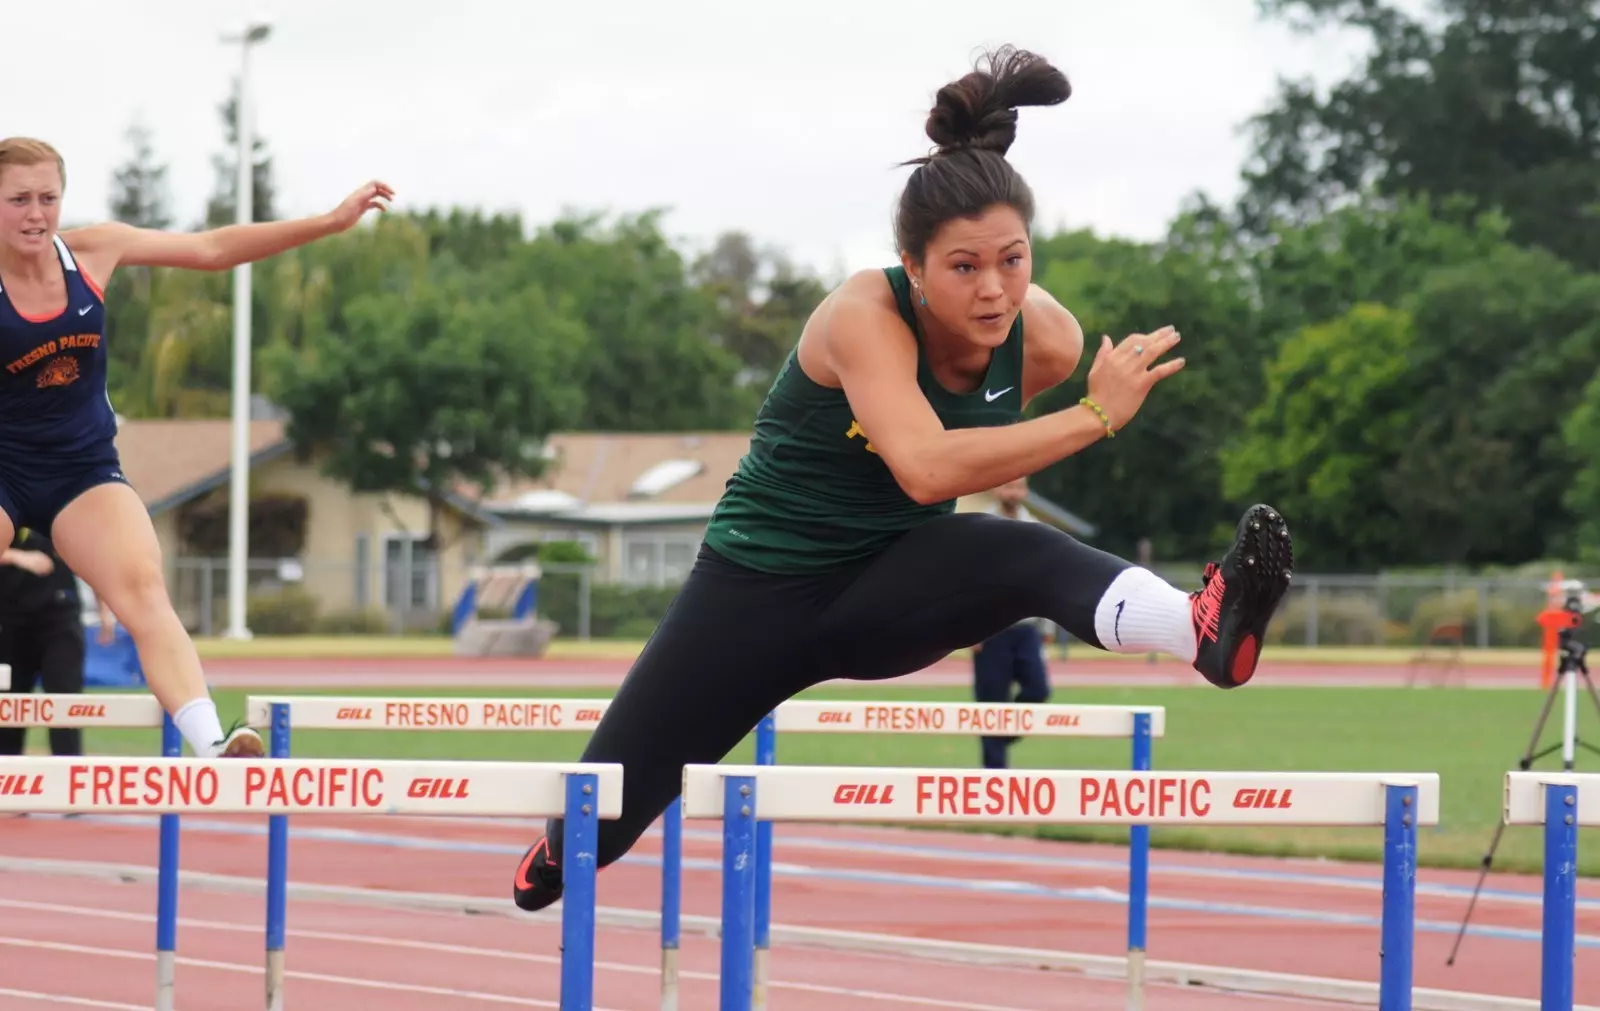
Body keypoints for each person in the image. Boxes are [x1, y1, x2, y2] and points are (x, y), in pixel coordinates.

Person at [512, 45, 1293, 911]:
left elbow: (970, 462)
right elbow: (924, 467)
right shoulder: (862, 313)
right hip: (754, 593)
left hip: (890, 586)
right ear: (914, 268)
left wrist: (1060, 417)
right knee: (595, 825)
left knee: (1027, 554)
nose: (994, 291)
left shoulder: (1049, 340)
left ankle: (1201, 629)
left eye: (1014, 259)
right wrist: (1094, 418)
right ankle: (554, 851)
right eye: (964, 267)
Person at [0, 136, 393, 759]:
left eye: (48, 198)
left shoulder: (94, 251)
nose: (36, 214)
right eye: (18, 199)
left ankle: (212, 742)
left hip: (82, 471)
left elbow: (211, 249)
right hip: (4, 468)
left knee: (145, 590)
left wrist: (329, 221)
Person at [0, 527, 107, 758]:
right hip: (9, 621)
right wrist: (17, 556)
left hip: (59, 618)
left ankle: (69, 772)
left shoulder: (61, 504)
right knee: (9, 708)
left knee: (65, 702)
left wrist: (105, 610)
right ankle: (6, 777)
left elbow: (92, 558)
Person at [970, 476, 1053, 769]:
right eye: (1008, 486)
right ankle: (994, 780)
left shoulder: (1034, 529)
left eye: (1019, 487)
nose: (1013, 492)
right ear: (996, 488)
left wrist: (1048, 626)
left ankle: (1002, 736)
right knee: (992, 701)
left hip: (1026, 626)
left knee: (1038, 689)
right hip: (989, 629)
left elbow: (1046, 581)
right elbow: (968, 583)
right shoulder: (979, 527)